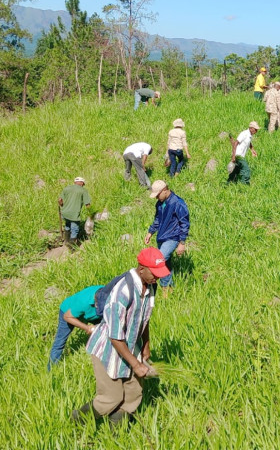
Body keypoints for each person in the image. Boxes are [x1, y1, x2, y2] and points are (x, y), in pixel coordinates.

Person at [72, 248, 169, 427]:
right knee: (111, 398)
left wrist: (146, 345)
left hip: (132, 344)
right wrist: (136, 364)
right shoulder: (122, 293)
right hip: (109, 348)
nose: (157, 277)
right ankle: (77, 422)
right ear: (141, 269)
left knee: (133, 394)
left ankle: (115, 431)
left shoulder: (150, 286)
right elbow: (115, 336)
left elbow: (144, 318)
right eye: (154, 273)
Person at [143, 181, 190, 298]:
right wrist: (150, 232)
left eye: (158, 195)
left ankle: (164, 288)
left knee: (160, 260)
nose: (157, 198)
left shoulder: (178, 203)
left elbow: (184, 223)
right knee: (166, 265)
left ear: (165, 190)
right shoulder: (159, 203)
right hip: (161, 237)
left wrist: (182, 243)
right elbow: (157, 219)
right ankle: (169, 290)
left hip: (173, 237)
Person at [47, 285, 104, 370]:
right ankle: (51, 369)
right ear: (95, 304)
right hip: (68, 313)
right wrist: (87, 328)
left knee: (103, 333)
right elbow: (67, 317)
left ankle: (97, 357)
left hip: (93, 314)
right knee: (60, 342)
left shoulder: (107, 293)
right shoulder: (83, 302)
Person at [58, 177, 91, 245]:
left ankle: (66, 240)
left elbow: (60, 200)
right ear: (82, 183)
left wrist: (62, 206)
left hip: (64, 213)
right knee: (74, 229)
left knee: (67, 225)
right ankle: (72, 248)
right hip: (74, 214)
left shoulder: (66, 188)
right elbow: (87, 204)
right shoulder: (83, 190)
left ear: (75, 182)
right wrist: (91, 213)